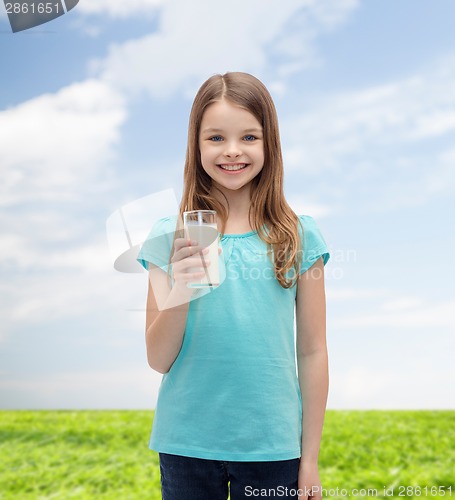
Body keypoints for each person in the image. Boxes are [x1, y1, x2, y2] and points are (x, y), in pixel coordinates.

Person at [137, 72, 330, 500]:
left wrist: (310, 458)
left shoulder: (299, 236)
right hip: (186, 444)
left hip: (273, 447)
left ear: (269, 145)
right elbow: (158, 358)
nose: (232, 151)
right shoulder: (169, 236)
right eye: (215, 138)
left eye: (248, 137)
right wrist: (182, 288)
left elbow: (313, 349)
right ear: (196, 145)